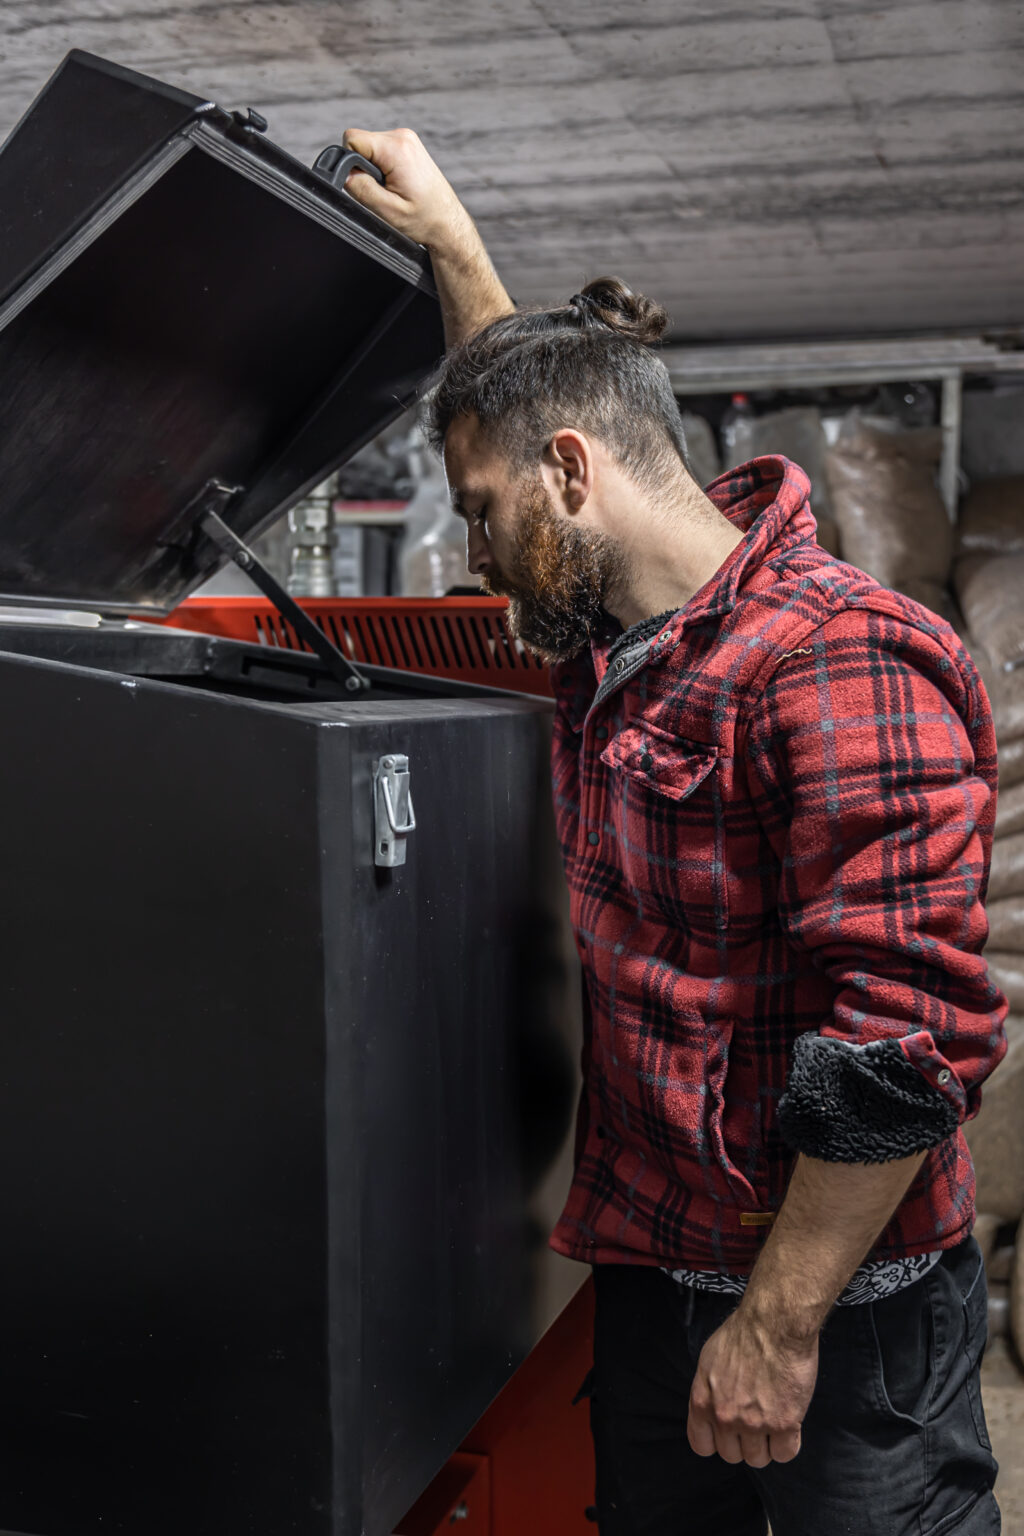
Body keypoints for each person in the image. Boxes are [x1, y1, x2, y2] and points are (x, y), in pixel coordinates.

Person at [341, 128, 1009, 1535]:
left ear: (573, 475)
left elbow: (902, 1046)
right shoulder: (616, 642)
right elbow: (519, 418)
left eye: (479, 518)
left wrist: (775, 1329)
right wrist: (457, 247)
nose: (471, 557)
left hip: (840, 1315)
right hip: (658, 1275)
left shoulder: (841, 662)